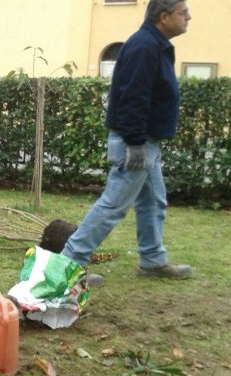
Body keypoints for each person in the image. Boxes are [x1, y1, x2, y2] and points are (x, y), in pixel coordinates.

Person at [61, 0, 193, 286]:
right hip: (138, 143)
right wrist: (134, 143)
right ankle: (68, 265)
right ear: (164, 16)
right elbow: (133, 97)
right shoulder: (145, 47)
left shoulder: (153, 45)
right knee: (112, 206)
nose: (189, 17)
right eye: (184, 13)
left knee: (153, 202)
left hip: (147, 143)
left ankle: (153, 260)